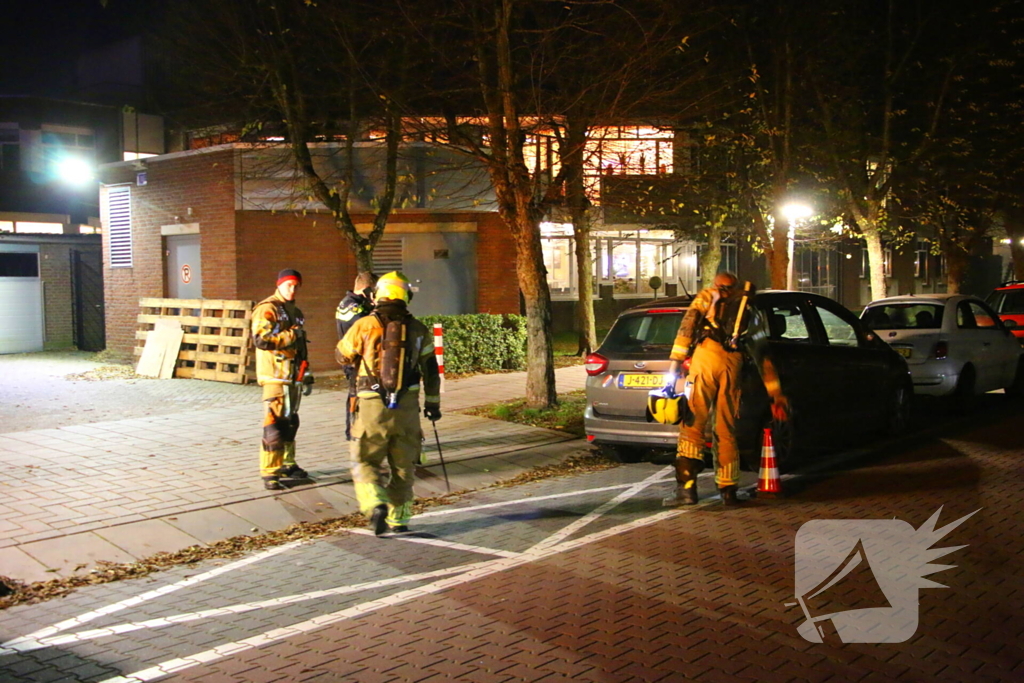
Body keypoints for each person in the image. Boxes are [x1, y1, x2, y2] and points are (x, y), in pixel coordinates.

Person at [664, 272, 789, 506]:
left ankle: (686, 491)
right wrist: (776, 394)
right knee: (726, 428)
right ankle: (728, 491)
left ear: (716, 284)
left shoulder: (707, 296)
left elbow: (688, 325)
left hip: (705, 361)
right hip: (733, 365)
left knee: (693, 423)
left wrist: (676, 361)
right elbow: (762, 355)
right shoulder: (749, 310)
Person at [335, 271, 442, 535]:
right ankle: (399, 519)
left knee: (365, 460)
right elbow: (431, 372)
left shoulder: (364, 325)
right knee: (404, 466)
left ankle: (375, 505)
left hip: (371, 405)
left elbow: (342, 355)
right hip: (407, 408)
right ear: (405, 295)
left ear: (378, 294)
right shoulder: (418, 329)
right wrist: (433, 405)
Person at [251, 268, 314, 491]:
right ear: (279, 284)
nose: (293, 289)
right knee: (274, 424)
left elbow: (300, 345)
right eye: (289, 285)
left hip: (293, 377)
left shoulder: (295, 311)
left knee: (290, 422)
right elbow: (261, 340)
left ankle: (288, 463)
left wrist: (306, 373)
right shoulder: (267, 309)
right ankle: (270, 472)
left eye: (296, 285)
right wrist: (291, 335)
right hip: (275, 377)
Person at [336, 272, 377, 440]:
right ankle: (353, 432)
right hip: (355, 362)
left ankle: (354, 431)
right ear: (367, 290)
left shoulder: (351, 303)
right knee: (356, 397)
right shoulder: (352, 307)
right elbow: (365, 328)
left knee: (356, 395)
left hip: (355, 361)